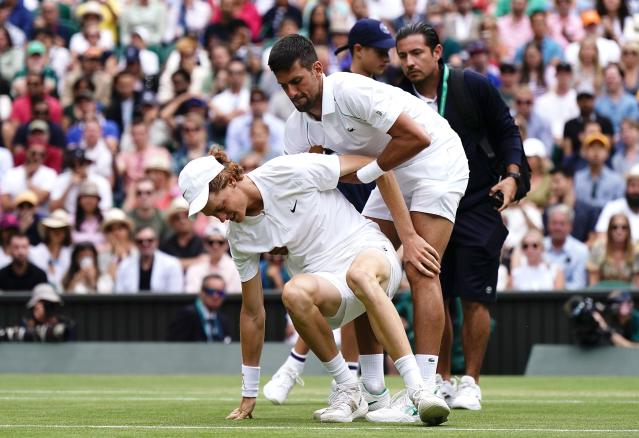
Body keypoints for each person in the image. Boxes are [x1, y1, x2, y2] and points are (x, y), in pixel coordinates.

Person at [268, 34, 469, 421]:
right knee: (356, 266)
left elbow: (416, 138)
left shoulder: (351, 92)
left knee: (420, 266)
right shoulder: (297, 128)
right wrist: (281, 234)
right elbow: (294, 191)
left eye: (297, 82)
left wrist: (406, 232)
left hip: (435, 161)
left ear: (317, 69)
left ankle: (422, 393)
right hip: (389, 171)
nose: (292, 92)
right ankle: (372, 393)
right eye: (284, 86)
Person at [179, 150, 449, 424]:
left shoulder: (288, 170)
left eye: (221, 207)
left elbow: (374, 164)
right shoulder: (239, 237)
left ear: (230, 181)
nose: (223, 219)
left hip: (369, 253)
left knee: (359, 275)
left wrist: (408, 235)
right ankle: (349, 389)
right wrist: (249, 392)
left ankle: (419, 391)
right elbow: (252, 313)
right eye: (215, 215)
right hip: (330, 288)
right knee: (293, 292)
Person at [263, 18, 400, 407]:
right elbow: (301, 184)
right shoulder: (309, 112)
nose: (388, 58)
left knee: (363, 286)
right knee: (344, 290)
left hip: (379, 194)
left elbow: (382, 164)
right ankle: (364, 387)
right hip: (339, 204)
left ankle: (309, 368)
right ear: (358, 51)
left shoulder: (372, 95)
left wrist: (406, 233)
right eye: (380, 51)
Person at [394, 23, 524, 413]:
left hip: (476, 201)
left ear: (437, 52)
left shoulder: (473, 85)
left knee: (474, 296)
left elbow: (507, 133)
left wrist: (514, 177)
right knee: (433, 288)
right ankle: (442, 380)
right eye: (402, 55)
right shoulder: (396, 96)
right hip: (427, 205)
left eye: (416, 53)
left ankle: (471, 382)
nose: (409, 62)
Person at [115, 226, 184, 293]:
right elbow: (120, 293)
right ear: (135, 243)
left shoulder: (172, 264)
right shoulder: (125, 265)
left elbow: (175, 295)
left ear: (157, 242)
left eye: (150, 240)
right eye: (140, 241)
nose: (145, 244)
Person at [167, 274, 232, 342]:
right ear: (202, 292)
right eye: (211, 291)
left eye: (220, 293)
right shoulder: (187, 315)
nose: (215, 296)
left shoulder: (223, 319)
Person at [0, 283, 75, 342]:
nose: (49, 308)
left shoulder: (66, 324)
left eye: (52, 304)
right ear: (35, 306)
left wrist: (53, 326)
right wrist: (34, 326)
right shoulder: (25, 324)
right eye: (45, 303)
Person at [185, 222, 242, 294]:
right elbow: (191, 294)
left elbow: (235, 295)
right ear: (205, 244)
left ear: (227, 244)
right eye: (211, 242)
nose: (215, 246)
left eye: (220, 242)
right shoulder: (194, 268)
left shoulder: (236, 268)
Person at [543, 204, 589, 289]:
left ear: (570, 226)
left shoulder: (581, 250)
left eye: (562, 224)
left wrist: (557, 287)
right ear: (548, 225)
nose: (557, 227)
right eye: (554, 223)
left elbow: (579, 284)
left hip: (569, 299)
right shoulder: (538, 246)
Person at [574, 133, 624, 210]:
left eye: (600, 148)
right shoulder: (577, 179)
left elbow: (620, 207)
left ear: (607, 153)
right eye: (592, 147)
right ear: (585, 152)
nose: (596, 151)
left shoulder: (616, 180)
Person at [588, 213, 639, 288]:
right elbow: (593, 284)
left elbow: (637, 286)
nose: (619, 231)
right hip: (601, 295)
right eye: (614, 227)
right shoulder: (599, 248)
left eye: (624, 227)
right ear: (609, 230)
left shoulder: (636, 251)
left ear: (629, 231)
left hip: (629, 296)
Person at [30, 209, 73, 291]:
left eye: (61, 229)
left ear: (66, 232)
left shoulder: (71, 253)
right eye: (53, 229)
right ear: (47, 231)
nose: (57, 232)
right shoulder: (34, 252)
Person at [595, 164, 639, 242]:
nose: (636, 190)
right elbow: (601, 237)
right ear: (626, 187)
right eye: (633, 185)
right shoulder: (612, 207)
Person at [160, 197, 205, 271]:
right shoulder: (166, 244)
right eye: (177, 218)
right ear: (172, 222)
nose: (182, 221)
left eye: (186, 216)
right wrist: (196, 261)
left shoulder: (203, 243)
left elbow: (206, 262)